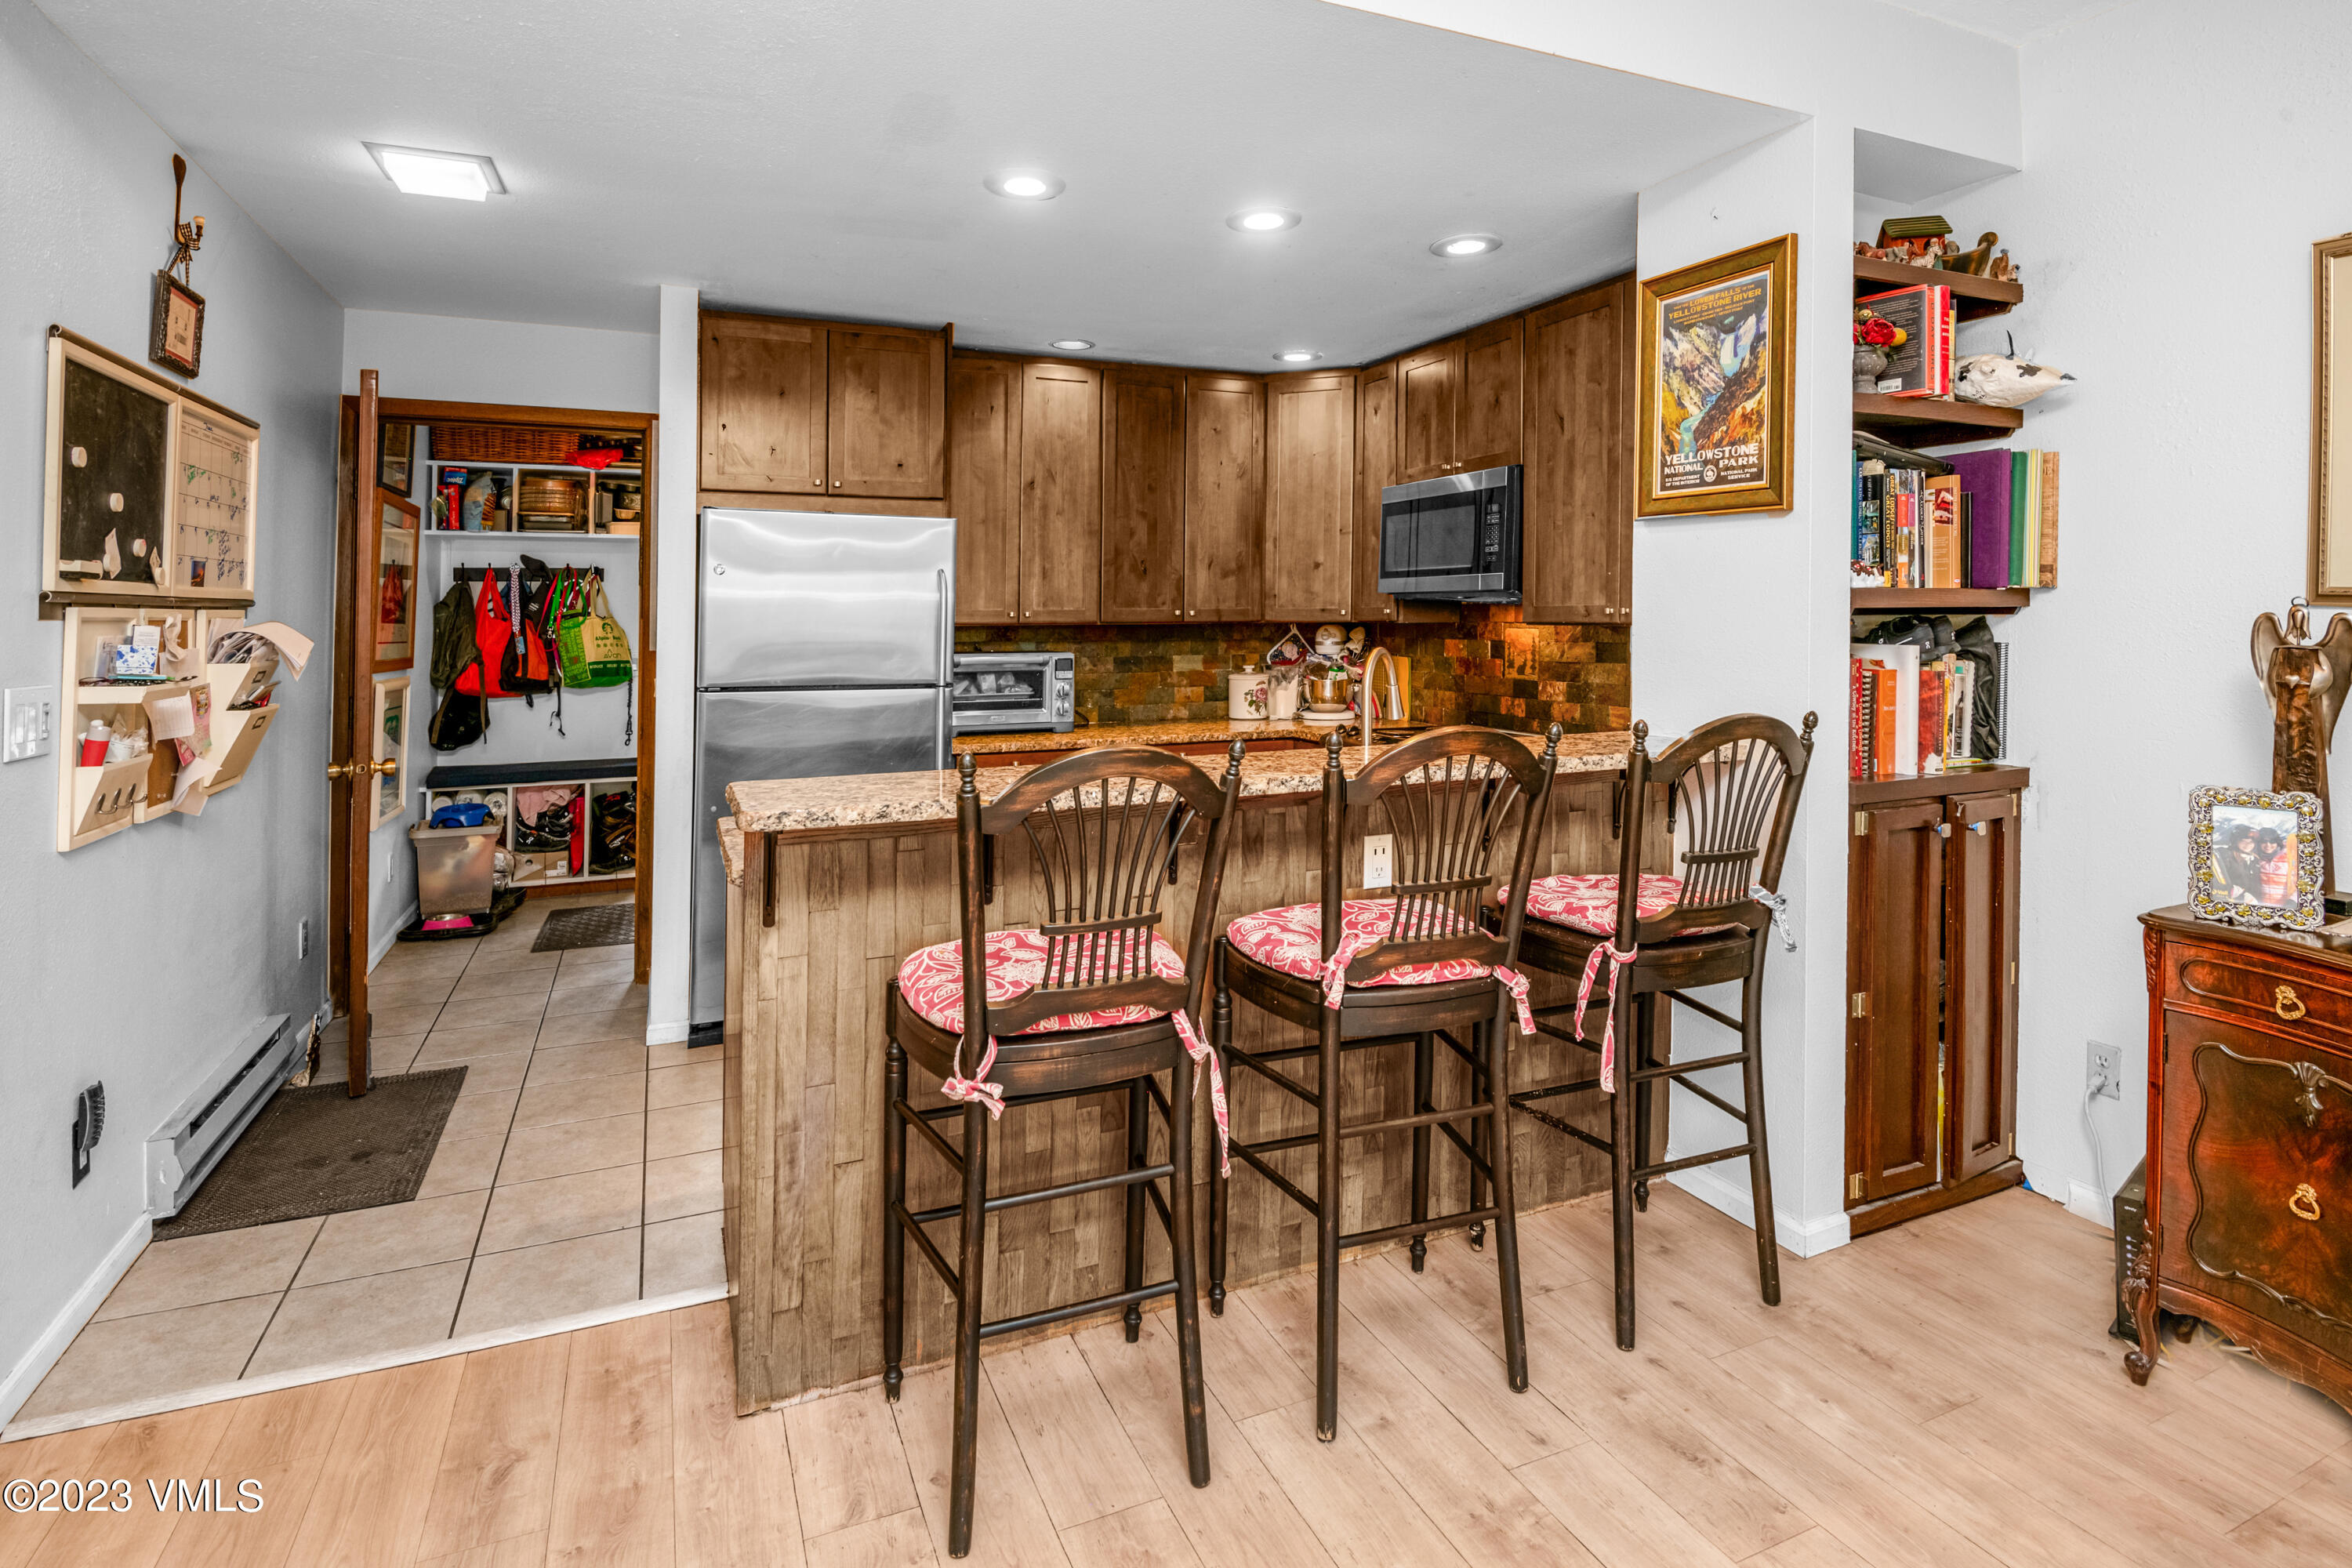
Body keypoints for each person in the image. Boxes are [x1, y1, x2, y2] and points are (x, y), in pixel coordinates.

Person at [2212, 822, 2268, 904]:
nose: (2247, 845)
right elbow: (2209, 883)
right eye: (2243, 841)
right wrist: (2231, 891)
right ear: (2236, 842)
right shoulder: (2223, 856)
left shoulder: (2253, 861)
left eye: (2251, 842)